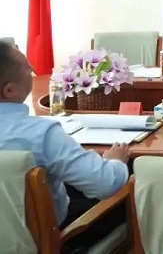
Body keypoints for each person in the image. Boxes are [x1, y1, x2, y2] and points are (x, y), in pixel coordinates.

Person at [0, 43, 129, 247]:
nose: (32, 70)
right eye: (27, 69)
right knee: (128, 191)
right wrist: (115, 163)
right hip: (47, 241)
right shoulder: (41, 134)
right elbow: (105, 184)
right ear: (9, 90)